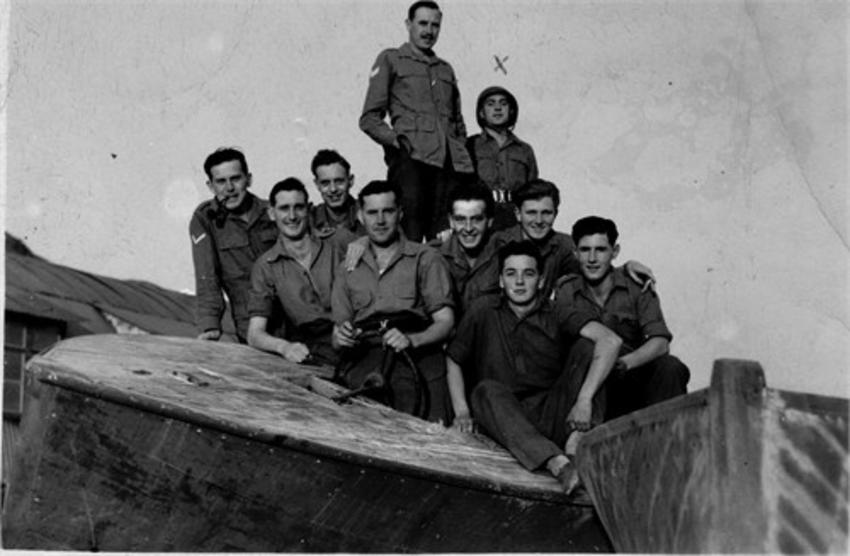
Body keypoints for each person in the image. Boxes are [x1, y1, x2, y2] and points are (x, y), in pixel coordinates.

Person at [445, 240, 622, 495]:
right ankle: (558, 464)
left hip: (553, 412)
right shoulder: (483, 310)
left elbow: (610, 341)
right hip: (505, 417)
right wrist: (461, 411)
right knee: (485, 390)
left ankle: (576, 443)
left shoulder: (557, 311)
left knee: (587, 347)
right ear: (501, 281)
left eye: (528, 274)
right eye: (511, 274)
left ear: (540, 281)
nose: (519, 282)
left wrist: (583, 401)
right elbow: (454, 358)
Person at [331, 180, 455, 422]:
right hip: (366, 355)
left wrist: (413, 339)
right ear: (360, 215)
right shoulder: (347, 267)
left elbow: (446, 322)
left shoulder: (426, 258)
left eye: (387, 211)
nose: (380, 221)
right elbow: (339, 332)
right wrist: (341, 337)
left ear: (400, 213)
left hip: (416, 355)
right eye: (372, 213)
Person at [555, 216, 690, 420]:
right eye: (585, 250)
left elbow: (660, 342)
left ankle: (669, 440)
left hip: (628, 376)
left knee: (670, 367)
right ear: (575, 253)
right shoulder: (567, 289)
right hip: (589, 382)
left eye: (600, 250)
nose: (592, 259)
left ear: (614, 252)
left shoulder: (636, 285)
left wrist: (625, 363)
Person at [359, 0, 473, 241]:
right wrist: (396, 141)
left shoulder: (445, 69)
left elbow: (457, 121)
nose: (428, 31)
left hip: (447, 168)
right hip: (412, 163)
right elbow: (369, 118)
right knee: (408, 237)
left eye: (435, 25)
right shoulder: (392, 59)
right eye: (422, 23)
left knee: (444, 238)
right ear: (408, 24)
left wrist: (459, 150)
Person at [493, 179, 654, 298]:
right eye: (531, 213)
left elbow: (595, 268)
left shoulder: (564, 245)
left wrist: (626, 268)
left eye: (546, 213)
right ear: (518, 214)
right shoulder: (496, 243)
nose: (539, 221)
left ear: (556, 213)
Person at [246, 178, 345, 366]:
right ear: (272, 213)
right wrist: (285, 348)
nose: (292, 216)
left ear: (308, 209)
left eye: (298, 207)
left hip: (353, 334)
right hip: (313, 347)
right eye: (284, 208)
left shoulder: (338, 243)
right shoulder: (266, 265)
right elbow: (255, 334)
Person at [190, 147, 279, 342]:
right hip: (251, 324)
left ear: (249, 179)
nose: (229, 188)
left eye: (235, 179)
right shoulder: (205, 219)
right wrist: (210, 325)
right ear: (211, 186)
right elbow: (206, 278)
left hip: (292, 315)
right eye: (221, 181)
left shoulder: (273, 211)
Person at [467, 86, 538, 230]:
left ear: (511, 111)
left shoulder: (524, 150)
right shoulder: (469, 146)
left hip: (515, 219)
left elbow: (533, 191)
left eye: (503, 104)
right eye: (491, 104)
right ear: (481, 113)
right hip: (480, 217)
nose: (498, 108)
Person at [433, 181, 501, 315]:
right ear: (451, 221)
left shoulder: (504, 254)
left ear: (490, 221)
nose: (468, 228)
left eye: (476, 219)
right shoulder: (433, 256)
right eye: (460, 219)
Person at [310, 149, 365, 237]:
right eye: (325, 183)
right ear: (317, 185)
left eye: (339, 181)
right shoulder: (309, 219)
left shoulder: (369, 212)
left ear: (350, 181)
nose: (333, 189)